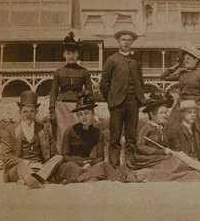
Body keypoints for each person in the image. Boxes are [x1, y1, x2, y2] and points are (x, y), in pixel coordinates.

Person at [54, 93, 137, 184]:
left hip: (89, 164)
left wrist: (89, 164)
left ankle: (78, 178)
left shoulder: (97, 132)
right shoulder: (70, 130)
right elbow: (65, 155)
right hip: (74, 163)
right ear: (77, 116)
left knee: (104, 165)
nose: (84, 116)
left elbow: (100, 157)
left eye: (87, 113)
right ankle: (90, 178)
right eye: (80, 114)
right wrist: (80, 164)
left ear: (93, 114)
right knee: (69, 167)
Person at [134, 94, 200, 183]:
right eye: (161, 113)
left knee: (176, 163)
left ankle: (193, 175)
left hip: (160, 157)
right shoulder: (147, 128)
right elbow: (140, 146)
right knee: (176, 163)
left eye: (165, 112)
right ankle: (145, 174)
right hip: (147, 158)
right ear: (151, 114)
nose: (165, 115)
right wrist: (161, 152)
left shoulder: (162, 128)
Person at [99, 30, 146, 169]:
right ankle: (114, 165)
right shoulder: (112, 59)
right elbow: (103, 84)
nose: (126, 42)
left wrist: (138, 98)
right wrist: (111, 100)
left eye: (129, 40)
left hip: (133, 103)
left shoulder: (135, 61)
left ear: (132, 42)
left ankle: (130, 164)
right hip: (116, 104)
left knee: (131, 137)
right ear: (118, 42)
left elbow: (141, 83)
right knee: (115, 137)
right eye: (123, 39)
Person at [1, 90, 63, 189]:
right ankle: (36, 178)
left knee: (59, 158)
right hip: (18, 168)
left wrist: (43, 166)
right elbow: (7, 157)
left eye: (32, 111)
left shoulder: (44, 129)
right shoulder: (10, 130)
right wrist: (28, 163)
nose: (28, 114)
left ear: (36, 112)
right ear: (19, 112)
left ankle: (34, 178)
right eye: (25, 111)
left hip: (41, 167)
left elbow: (55, 154)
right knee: (22, 166)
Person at [159, 45, 200, 154]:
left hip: (195, 106)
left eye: (188, 58)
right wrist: (176, 65)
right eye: (184, 58)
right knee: (172, 128)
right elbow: (163, 77)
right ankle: (175, 152)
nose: (185, 60)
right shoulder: (181, 74)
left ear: (196, 60)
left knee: (199, 132)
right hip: (181, 106)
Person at [49, 32, 93, 153]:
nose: (71, 56)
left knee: (77, 133)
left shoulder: (84, 72)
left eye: (74, 53)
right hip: (62, 107)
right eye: (68, 53)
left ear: (78, 54)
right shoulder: (59, 72)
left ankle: (78, 157)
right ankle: (63, 159)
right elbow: (53, 91)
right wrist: (52, 109)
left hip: (78, 108)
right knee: (62, 133)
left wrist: (89, 109)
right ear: (64, 54)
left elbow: (89, 92)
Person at [165, 100, 200, 168]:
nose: (193, 115)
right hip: (181, 163)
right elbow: (177, 152)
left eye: (195, 112)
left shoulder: (195, 130)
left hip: (195, 161)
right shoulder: (174, 130)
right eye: (189, 112)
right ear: (182, 114)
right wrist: (196, 163)